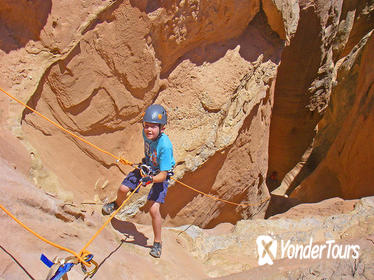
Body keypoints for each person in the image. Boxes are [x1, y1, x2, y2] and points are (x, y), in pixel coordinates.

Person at [102, 104, 175, 258]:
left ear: (162, 128)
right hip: (147, 167)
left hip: (160, 174)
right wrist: (146, 171)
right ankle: (116, 204)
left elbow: (163, 174)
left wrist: (151, 179)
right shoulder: (145, 134)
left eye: (153, 127)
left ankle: (157, 242)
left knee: (153, 210)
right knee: (123, 189)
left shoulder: (165, 146)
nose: (148, 130)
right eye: (146, 126)